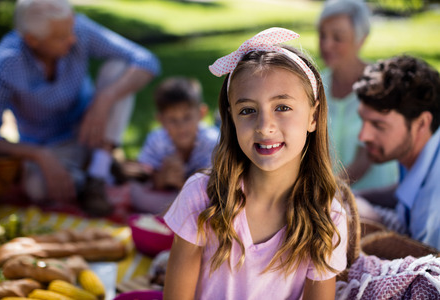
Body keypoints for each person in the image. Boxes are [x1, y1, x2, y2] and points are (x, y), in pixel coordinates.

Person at [163, 28, 358, 300]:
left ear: (313, 117)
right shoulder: (201, 196)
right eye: (247, 111)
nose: (265, 127)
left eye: (282, 107)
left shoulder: (328, 217)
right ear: (230, 119)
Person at [0, 0, 160, 216]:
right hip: (50, 146)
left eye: (71, 30)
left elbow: (146, 60)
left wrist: (104, 99)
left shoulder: (77, 28)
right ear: (32, 40)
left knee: (120, 68)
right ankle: (100, 169)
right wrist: (38, 155)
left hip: (92, 126)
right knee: (36, 188)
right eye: (61, 37)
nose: (73, 39)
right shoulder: (3, 65)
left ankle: (97, 175)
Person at [353, 55, 440, 250]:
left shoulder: (433, 218)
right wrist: (352, 196)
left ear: (422, 123)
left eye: (378, 125)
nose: (363, 136)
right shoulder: (417, 152)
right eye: (363, 120)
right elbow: (405, 189)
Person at [318, 0, 399, 190]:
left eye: (338, 37)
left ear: (361, 39)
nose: (327, 45)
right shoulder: (315, 85)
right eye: (322, 35)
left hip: (375, 200)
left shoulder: (380, 85)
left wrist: (324, 193)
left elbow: (365, 159)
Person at [128, 76, 219, 215]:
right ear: (161, 120)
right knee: (136, 193)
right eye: (172, 120)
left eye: (187, 117)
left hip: (203, 197)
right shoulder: (157, 139)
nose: (181, 126)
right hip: (168, 196)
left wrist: (182, 182)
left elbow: (214, 186)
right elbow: (145, 176)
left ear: (201, 113)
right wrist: (163, 177)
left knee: (212, 203)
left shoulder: (211, 141)